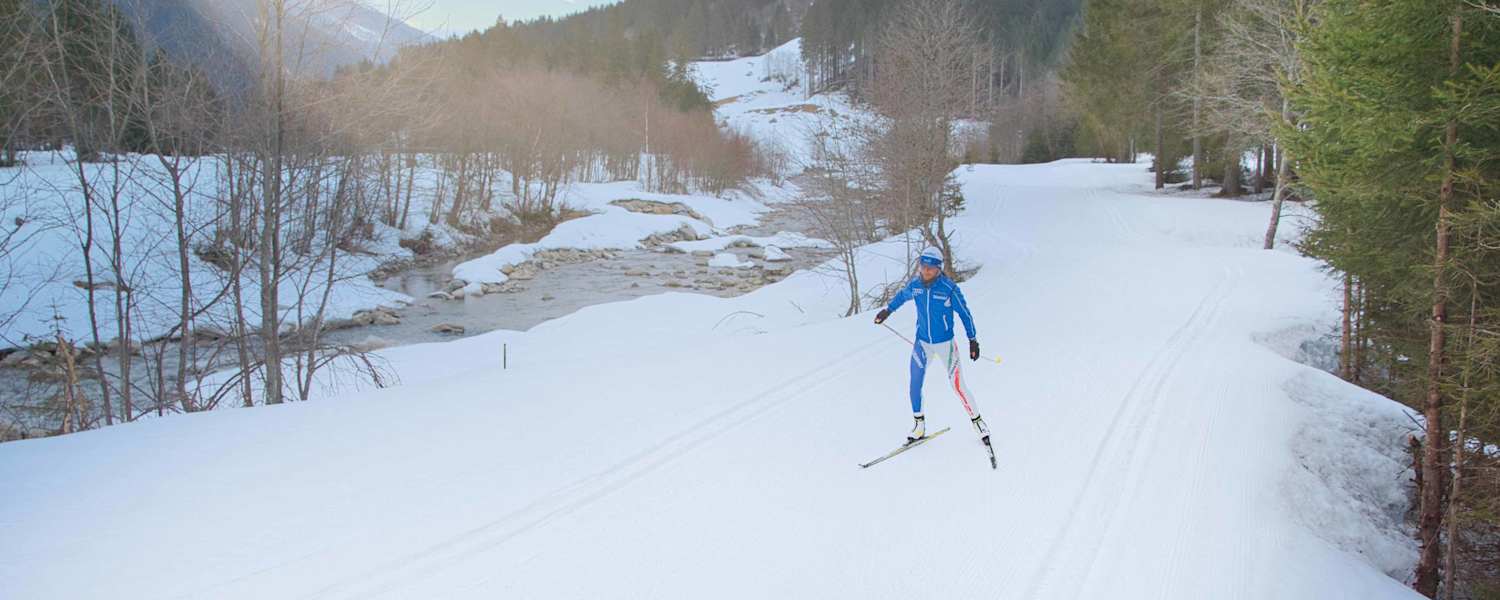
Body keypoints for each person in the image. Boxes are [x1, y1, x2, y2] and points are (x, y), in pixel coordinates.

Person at [874, 246, 989, 445]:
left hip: (946, 345)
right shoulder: (916, 286)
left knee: (958, 386)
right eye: (923, 267)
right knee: (914, 383)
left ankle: (978, 422)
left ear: (938, 269)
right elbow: (902, 296)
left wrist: (973, 340)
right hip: (923, 343)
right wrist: (887, 311)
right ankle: (919, 426)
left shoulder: (949, 288)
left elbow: (965, 314)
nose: (926, 271)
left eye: (931, 268)